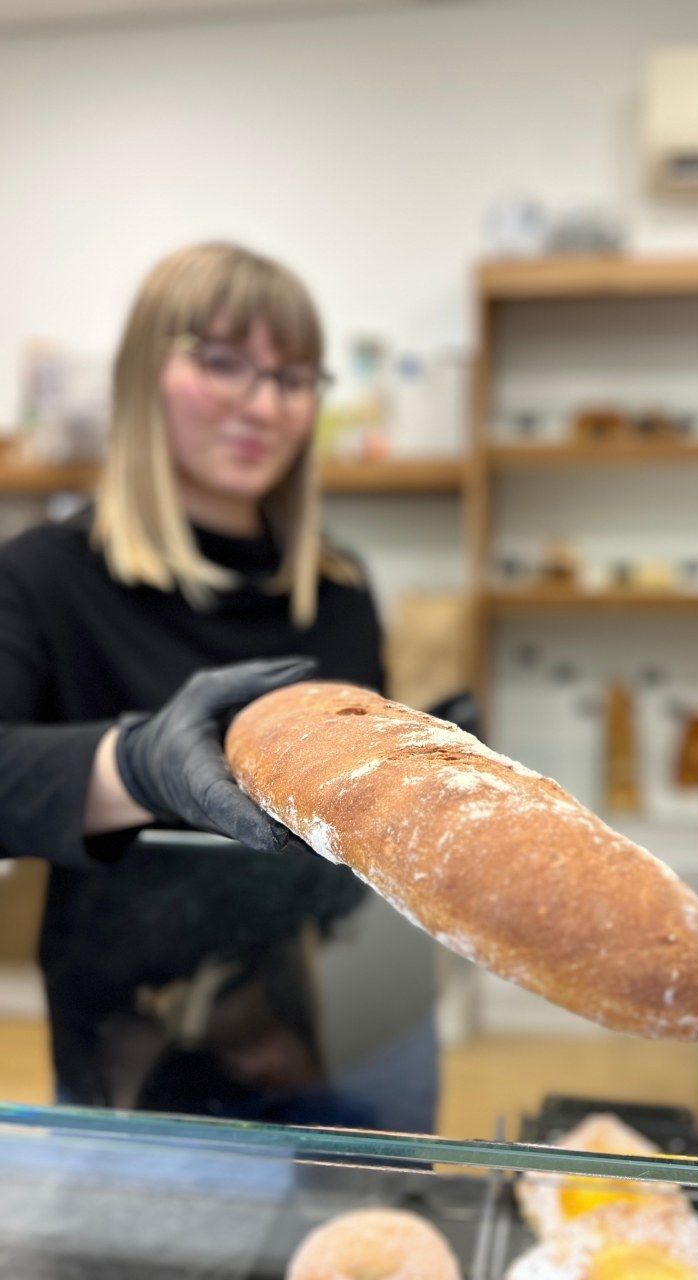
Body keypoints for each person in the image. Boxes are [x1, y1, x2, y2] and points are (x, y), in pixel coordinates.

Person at [0, 242, 437, 1128]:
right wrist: (135, 765)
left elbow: (351, 861)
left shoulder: (338, 590)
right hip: (125, 1023)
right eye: (223, 362)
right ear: (140, 375)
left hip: (309, 1001)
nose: (263, 404)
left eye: (293, 377)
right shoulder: (42, 578)